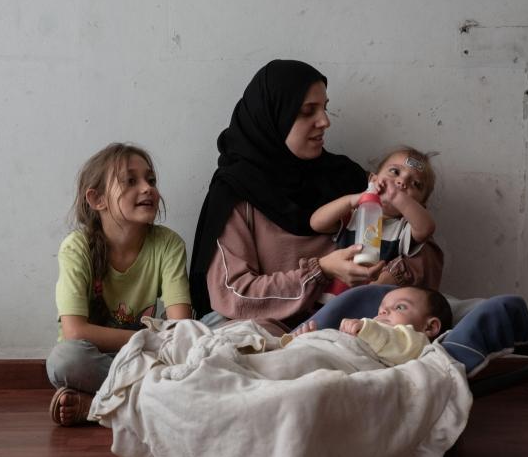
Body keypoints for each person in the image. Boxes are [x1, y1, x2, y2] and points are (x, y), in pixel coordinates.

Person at [189, 59, 444, 331]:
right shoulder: (237, 193)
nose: (325, 121)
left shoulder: (344, 176)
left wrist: (382, 282)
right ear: (274, 116)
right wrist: (320, 271)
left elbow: (422, 251)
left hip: (354, 323)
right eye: (307, 111)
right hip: (272, 327)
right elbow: (233, 294)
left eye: (324, 108)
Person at [47, 142, 191, 426]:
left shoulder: (168, 244)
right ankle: (166, 397)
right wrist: (153, 341)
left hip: (153, 353)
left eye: (151, 180)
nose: (147, 188)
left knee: (221, 323)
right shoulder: (77, 248)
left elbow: (181, 326)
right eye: (130, 181)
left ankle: (99, 409)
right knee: (64, 360)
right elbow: (75, 331)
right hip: (105, 358)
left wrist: (161, 343)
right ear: (97, 199)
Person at [310, 147, 438, 301]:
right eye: (395, 172)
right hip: (330, 299)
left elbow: (426, 229)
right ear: (373, 180)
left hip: (371, 306)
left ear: (420, 206)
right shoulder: (354, 214)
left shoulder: (404, 229)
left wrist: (397, 196)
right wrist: (353, 200)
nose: (401, 182)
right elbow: (316, 223)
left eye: (415, 184)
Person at [290, 286, 452, 366]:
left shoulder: (415, 342)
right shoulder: (368, 332)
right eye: (381, 309)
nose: (384, 311)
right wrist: (307, 339)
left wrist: (366, 329)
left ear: (429, 328)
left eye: (400, 307)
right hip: (316, 354)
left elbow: (393, 342)